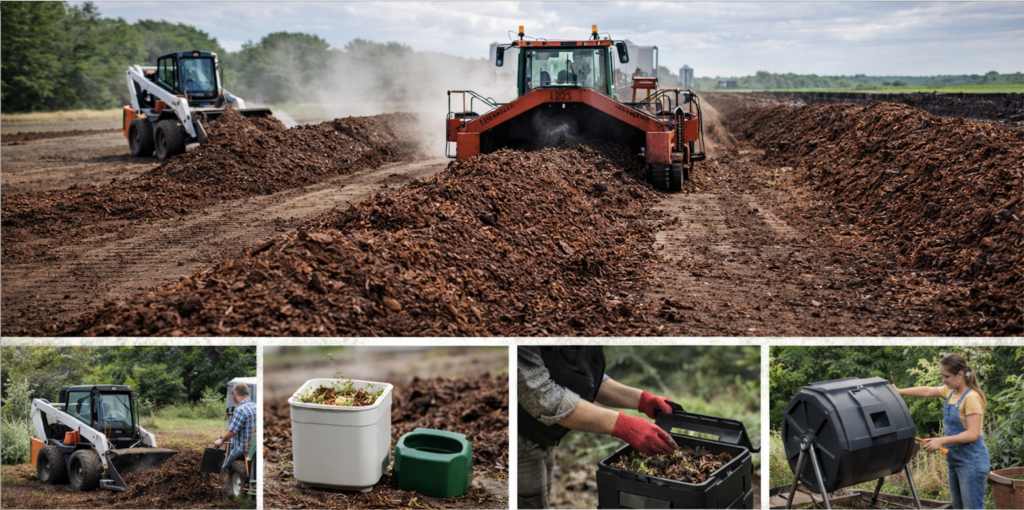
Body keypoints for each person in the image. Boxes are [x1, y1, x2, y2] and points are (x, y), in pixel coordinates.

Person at [518, 347, 676, 509]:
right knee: (529, 501)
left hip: (545, 434)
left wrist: (641, 400)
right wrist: (625, 426)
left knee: (540, 497)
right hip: (520, 437)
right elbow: (541, 395)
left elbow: (585, 377)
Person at [896, 354, 989, 509]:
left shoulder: (971, 398)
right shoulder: (951, 392)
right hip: (954, 458)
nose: (943, 380)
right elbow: (926, 391)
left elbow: (973, 434)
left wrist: (941, 440)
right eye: (942, 376)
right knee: (957, 506)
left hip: (971, 460)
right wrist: (899, 391)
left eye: (946, 376)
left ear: (960, 374)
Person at [215, 383, 256, 470]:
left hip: (242, 449)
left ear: (236, 395)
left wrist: (221, 440)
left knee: (225, 468)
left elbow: (232, 431)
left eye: (233, 394)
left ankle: (224, 468)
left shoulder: (240, 410)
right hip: (254, 446)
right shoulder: (255, 407)